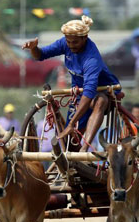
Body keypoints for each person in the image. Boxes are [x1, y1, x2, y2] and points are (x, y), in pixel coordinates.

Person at [22, 15, 120, 151]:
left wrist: (72, 124)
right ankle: (74, 155)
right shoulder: (65, 43)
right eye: (69, 42)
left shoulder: (91, 59)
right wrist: (34, 48)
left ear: (84, 38)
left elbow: (89, 92)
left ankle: (85, 149)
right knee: (69, 144)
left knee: (99, 102)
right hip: (80, 93)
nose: (71, 45)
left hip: (102, 91)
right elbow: (41, 55)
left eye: (75, 42)